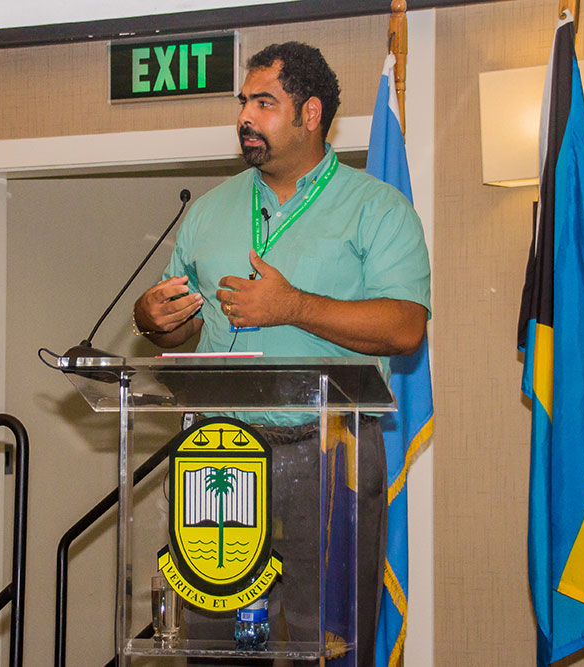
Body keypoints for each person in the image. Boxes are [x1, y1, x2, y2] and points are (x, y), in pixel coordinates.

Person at [133, 41, 430, 666]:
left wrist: (292, 305)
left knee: (326, 642)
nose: (245, 116)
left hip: (328, 453)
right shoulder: (208, 211)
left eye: (264, 103)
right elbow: (181, 325)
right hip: (217, 454)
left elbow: (405, 328)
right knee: (215, 647)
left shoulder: (376, 208)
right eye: (244, 102)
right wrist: (154, 319)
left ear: (310, 113)